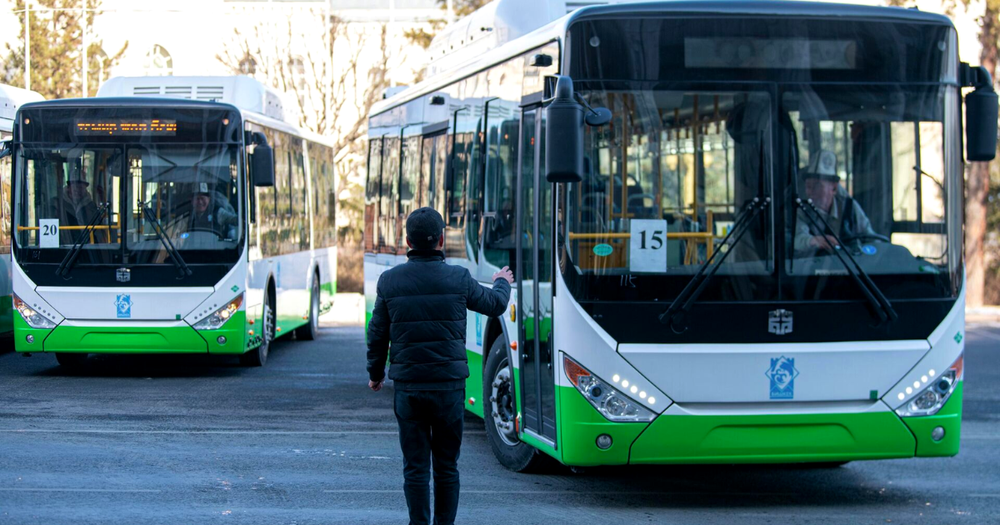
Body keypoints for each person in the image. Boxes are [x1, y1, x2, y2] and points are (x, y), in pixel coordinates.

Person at [367, 207, 513, 525]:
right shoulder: (458, 278)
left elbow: (377, 333)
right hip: (448, 388)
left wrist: (375, 374)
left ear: (407, 240)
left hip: (409, 388)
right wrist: (502, 281)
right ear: (442, 240)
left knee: (415, 467)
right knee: (447, 467)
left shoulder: (389, 281)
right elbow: (495, 304)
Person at [794, 150, 877, 255]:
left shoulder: (849, 208)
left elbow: (871, 239)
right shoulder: (802, 210)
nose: (810, 192)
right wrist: (813, 241)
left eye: (817, 186)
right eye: (808, 186)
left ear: (834, 188)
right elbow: (796, 239)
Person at [172, 182, 237, 239]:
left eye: (202, 198)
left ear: (209, 199)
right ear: (191, 200)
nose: (200, 202)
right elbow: (177, 233)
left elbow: (232, 219)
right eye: (197, 198)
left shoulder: (217, 213)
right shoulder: (187, 215)